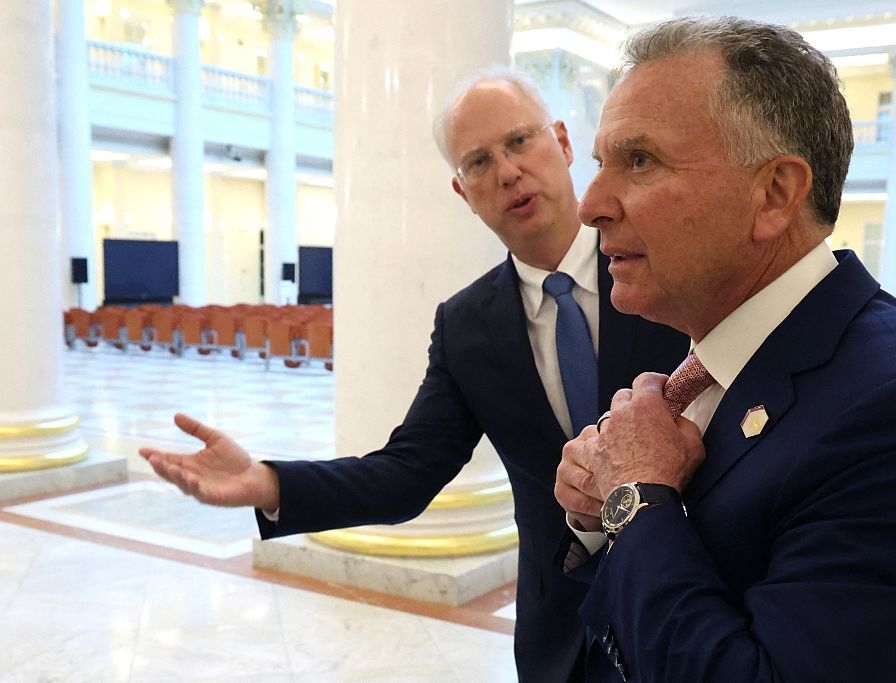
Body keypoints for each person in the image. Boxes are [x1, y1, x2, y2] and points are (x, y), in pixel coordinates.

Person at [139, 66, 688, 683]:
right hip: (562, 634)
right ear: (462, 191)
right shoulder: (467, 326)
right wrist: (267, 482)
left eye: (518, 142)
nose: (506, 171)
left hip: (693, 602)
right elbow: (407, 474)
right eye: (478, 162)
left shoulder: (664, 266)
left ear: (562, 143)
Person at [553, 17, 896, 681]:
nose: (590, 203)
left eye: (640, 160)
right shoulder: (697, 360)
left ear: (774, 194)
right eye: (600, 164)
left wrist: (635, 498)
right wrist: (602, 509)